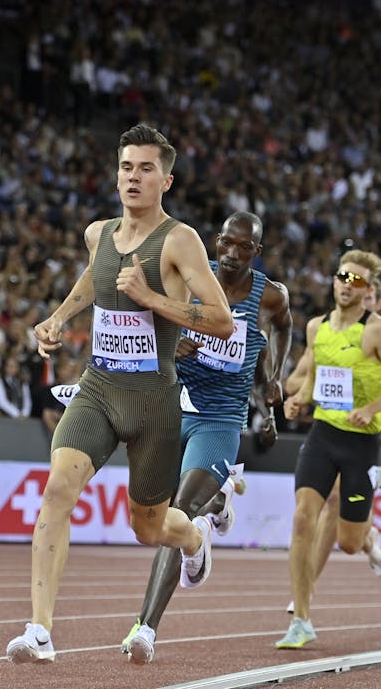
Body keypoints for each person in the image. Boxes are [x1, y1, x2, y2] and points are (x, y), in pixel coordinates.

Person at [5, 124, 234, 664]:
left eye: (146, 169)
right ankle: (40, 631)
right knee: (58, 489)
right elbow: (95, 276)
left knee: (148, 528)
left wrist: (152, 298)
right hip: (99, 388)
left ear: (166, 180)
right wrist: (58, 318)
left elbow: (222, 320)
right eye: (127, 167)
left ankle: (194, 538)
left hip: (153, 399)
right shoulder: (98, 233)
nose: (134, 177)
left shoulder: (180, 240)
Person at [119, 210, 292, 665]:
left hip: (220, 419)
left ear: (257, 252)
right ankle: (214, 509)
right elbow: (146, 314)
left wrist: (275, 375)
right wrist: (169, 341)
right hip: (171, 405)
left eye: (244, 247)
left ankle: (145, 628)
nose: (233, 254)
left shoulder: (270, 296)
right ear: (216, 242)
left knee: (178, 510)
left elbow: (284, 327)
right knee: (153, 517)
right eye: (227, 243)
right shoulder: (191, 276)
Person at [277, 249, 381, 649]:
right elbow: (315, 377)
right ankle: (301, 620)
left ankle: (368, 531)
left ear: (368, 289)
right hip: (323, 434)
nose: (347, 285)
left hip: (362, 441)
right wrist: (299, 399)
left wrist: (371, 409)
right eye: (342, 276)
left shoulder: (378, 330)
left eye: (356, 281)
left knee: (349, 542)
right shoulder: (316, 327)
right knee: (303, 519)